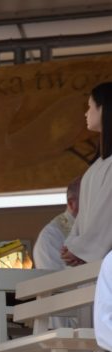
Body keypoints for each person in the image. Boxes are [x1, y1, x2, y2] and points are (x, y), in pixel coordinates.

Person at [62, 82, 112, 266]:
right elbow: (84, 217)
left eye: (90, 107)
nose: (86, 113)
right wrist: (73, 245)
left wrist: (81, 249)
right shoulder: (98, 166)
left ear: (104, 109)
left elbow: (108, 212)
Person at [34, 175, 81, 270]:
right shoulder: (50, 237)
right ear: (72, 204)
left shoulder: (99, 228)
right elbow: (53, 281)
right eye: (89, 200)